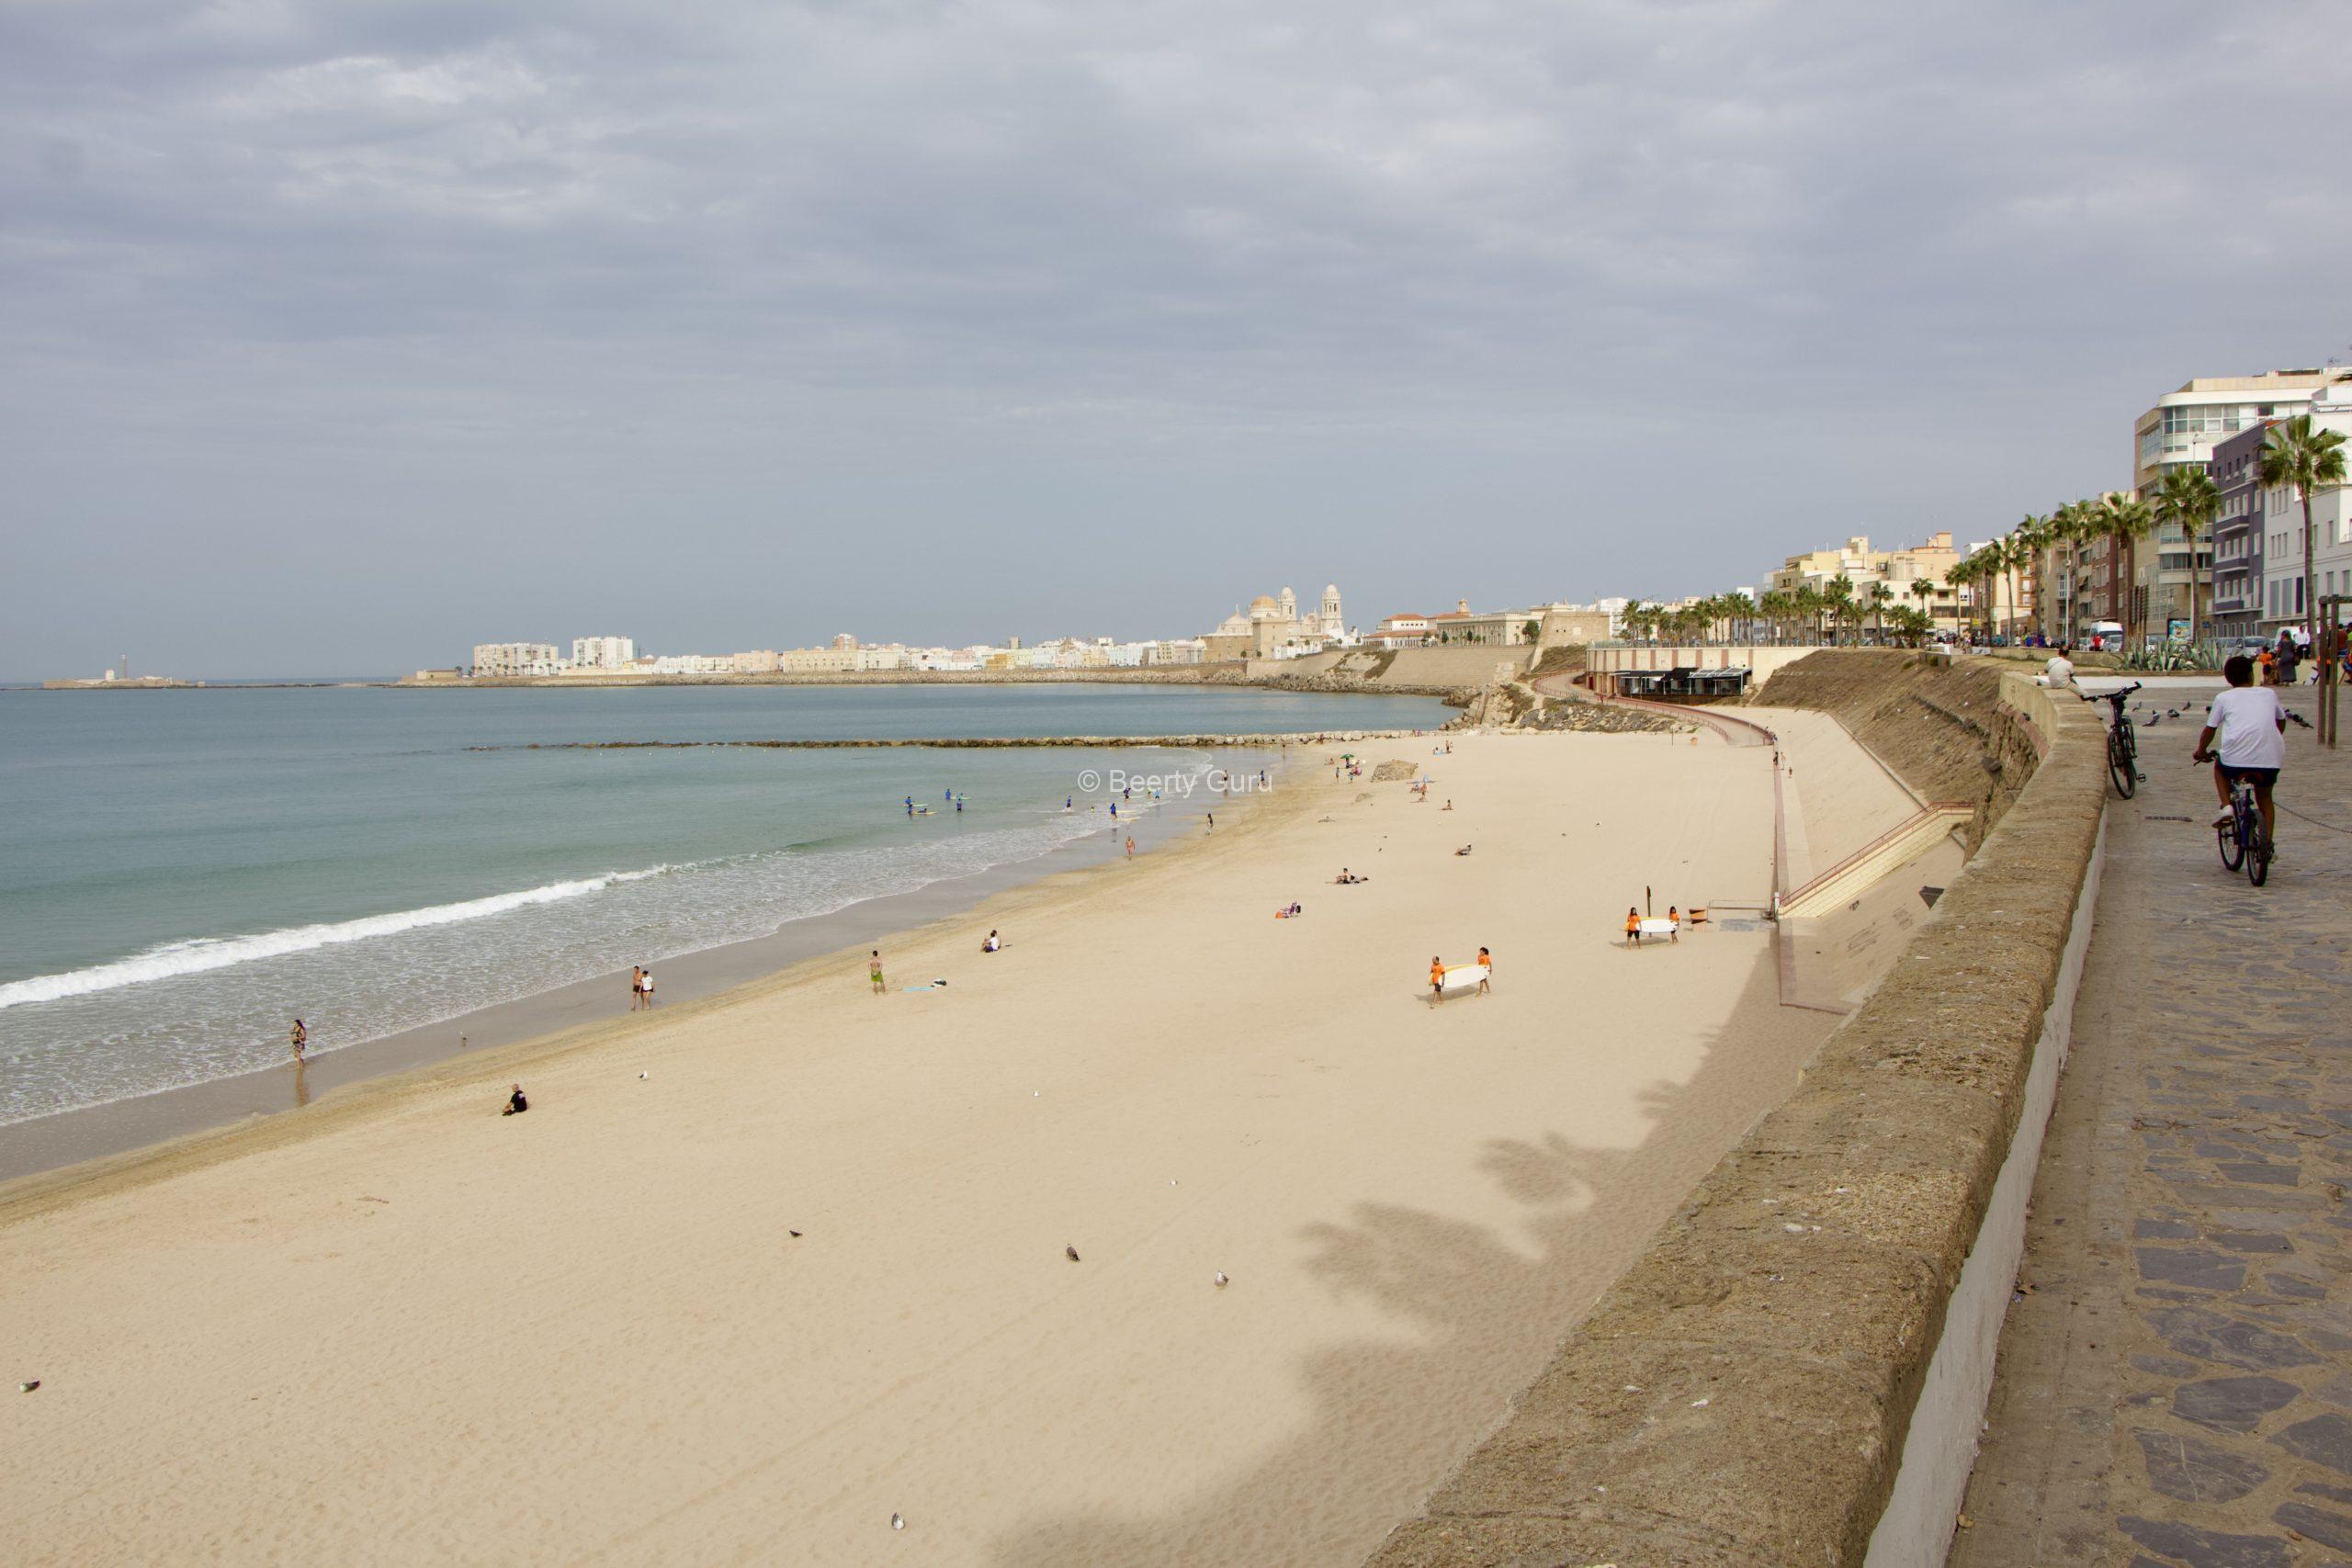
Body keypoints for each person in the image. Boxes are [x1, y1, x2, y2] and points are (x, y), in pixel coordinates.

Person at [2194, 654, 2287, 846]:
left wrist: (2201, 751)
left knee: (2220, 768)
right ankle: (2266, 845)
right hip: (2270, 759)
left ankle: (2227, 807)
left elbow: (2209, 730)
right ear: (2250, 675)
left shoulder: (2223, 698)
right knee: (2265, 797)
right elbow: (2281, 721)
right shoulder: (2268, 694)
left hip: (2234, 761)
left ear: (2228, 679)